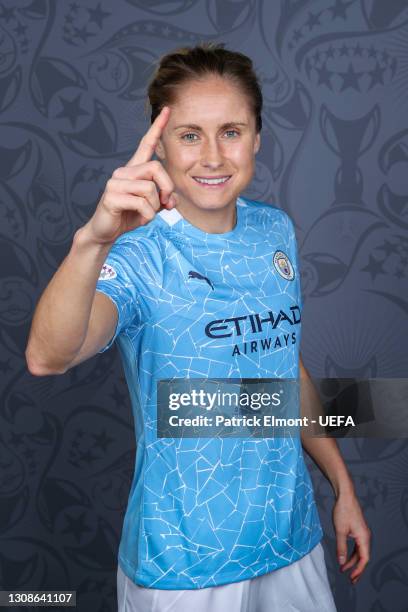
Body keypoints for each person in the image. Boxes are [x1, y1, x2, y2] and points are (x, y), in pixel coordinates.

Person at [25, 43, 371, 611]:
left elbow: (282, 371)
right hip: (188, 567)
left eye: (231, 131)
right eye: (189, 135)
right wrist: (93, 240)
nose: (212, 156)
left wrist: (342, 486)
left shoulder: (274, 231)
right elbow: (48, 356)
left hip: (292, 541)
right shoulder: (136, 255)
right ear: (159, 144)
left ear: (257, 137)